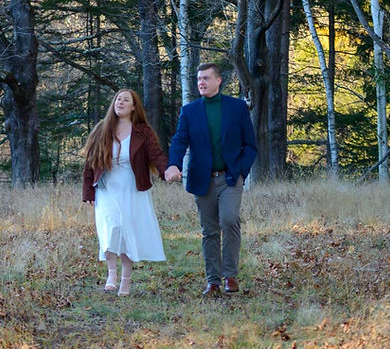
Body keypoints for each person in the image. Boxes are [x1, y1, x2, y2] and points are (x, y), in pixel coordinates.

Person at [165, 63, 258, 296]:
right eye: (198, 79)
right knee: (210, 230)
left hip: (229, 178)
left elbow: (250, 145)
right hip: (202, 179)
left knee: (229, 219)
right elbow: (179, 141)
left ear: (219, 81)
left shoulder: (237, 108)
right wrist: (173, 164)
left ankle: (230, 276)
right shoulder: (190, 111)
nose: (201, 83)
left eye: (206, 78)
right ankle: (213, 281)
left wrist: (240, 171)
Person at [82, 89, 169, 296]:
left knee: (128, 231)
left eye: (126, 100)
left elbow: (157, 155)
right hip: (106, 189)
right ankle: (111, 273)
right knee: (110, 229)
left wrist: (167, 171)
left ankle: (126, 280)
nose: (120, 102)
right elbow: (89, 163)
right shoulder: (102, 129)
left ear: (133, 107)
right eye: (118, 99)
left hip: (132, 188)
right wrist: (88, 193)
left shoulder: (143, 132)